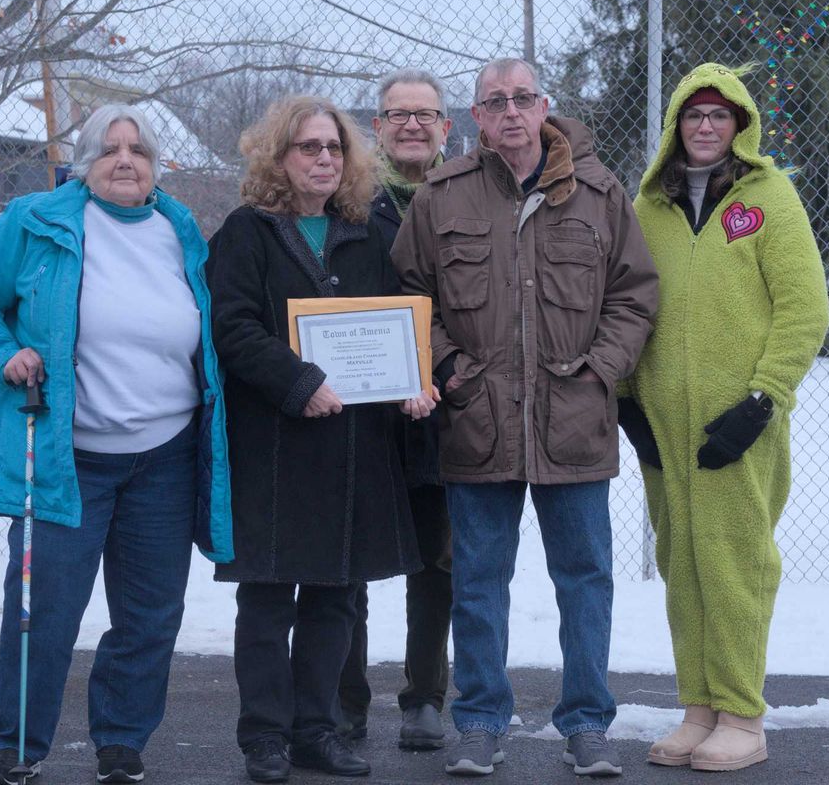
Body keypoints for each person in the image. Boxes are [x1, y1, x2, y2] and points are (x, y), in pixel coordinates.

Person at [0, 104, 234, 785]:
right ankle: (19, 746)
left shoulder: (179, 227)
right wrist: (1, 351)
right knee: (42, 612)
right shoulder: (37, 220)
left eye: (138, 150)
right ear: (83, 161)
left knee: (151, 614)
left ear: (156, 165)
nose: (124, 160)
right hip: (68, 455)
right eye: (109, 148)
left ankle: (123, 741)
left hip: (165, 456)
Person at [393, 57, 660, 778]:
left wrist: (601, 369)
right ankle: (480, 721)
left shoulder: (601, 195)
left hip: (574, 421)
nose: (509, 111)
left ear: (544, 106)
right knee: (477, 580)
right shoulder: (441, 199)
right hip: (477, 420)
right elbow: (410, 297)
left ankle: (587, 724)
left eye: (522, 98)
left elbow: (635, 295)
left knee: (585, 579)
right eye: (493, 101)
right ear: (475, 118)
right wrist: (449, 367)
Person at [207, 95, 437, 784]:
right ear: (279, 157)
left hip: (354, 449)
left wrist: (413, 383)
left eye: (334, 148)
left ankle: (317, 731)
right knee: (269, 599)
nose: (324, 159)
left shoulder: (369, 231)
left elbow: (398, 326)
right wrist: (297, 380)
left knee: (335, 596)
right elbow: (233, 326)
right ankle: (265, 739)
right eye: (309, 147)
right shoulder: (247, 233)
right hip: (275, 449)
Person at [621, 62, 829, 772]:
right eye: (692, 115)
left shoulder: (771, 198)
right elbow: (623, 306)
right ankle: (699, 708)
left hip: (741, 424)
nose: (705, 127)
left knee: (735, 564)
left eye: (719, 115)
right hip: (663, 427)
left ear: (741, 125)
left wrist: (763, 400)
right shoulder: (648, 209)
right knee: (682, 564)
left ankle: (743, 715)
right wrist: (627, 401)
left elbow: (805, 310)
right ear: (675, 126)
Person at [337, 67, 454, 752]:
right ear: (376, 127)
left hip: (446, 407)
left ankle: (424, 698)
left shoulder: (467, 195)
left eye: (425, 113)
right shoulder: (348, 199)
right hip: (359, 410)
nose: (412, 124)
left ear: (447, 125)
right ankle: (346, 700)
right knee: (349, 560)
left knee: (436, 562)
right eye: (397, 114)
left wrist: (440, 373)